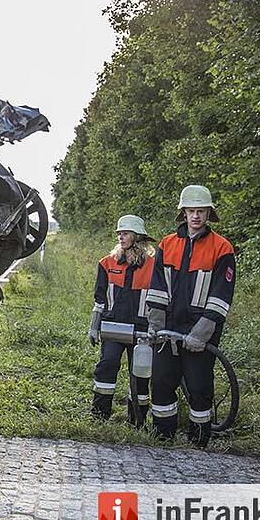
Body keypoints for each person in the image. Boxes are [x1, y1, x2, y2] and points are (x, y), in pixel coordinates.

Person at [145, 185, 235, 448]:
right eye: (191, 211)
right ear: (183, 213)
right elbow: (158, 288)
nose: (196, 216)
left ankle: (199, 442)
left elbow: (221, 296)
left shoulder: (222, 248)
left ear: (209, 214)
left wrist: (202, 333)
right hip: (168, 328)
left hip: (201, 330)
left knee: (199, 387)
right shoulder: (167, 244)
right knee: (161, 383)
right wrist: (156, 325)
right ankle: (163, 437)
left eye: (201, 211)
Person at [89, 215, 155, 426]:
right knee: (106, 365)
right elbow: (99, 300)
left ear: (137, 237)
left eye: (125, 233)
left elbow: (160, 301)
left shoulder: (154, 266)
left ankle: (137, 421)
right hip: (113, 327)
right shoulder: (106, 264)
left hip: (142, 330)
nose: (120, 237)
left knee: (140, 375)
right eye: (119, 233)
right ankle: (99, 416)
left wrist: (156, 328)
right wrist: (94, 326)